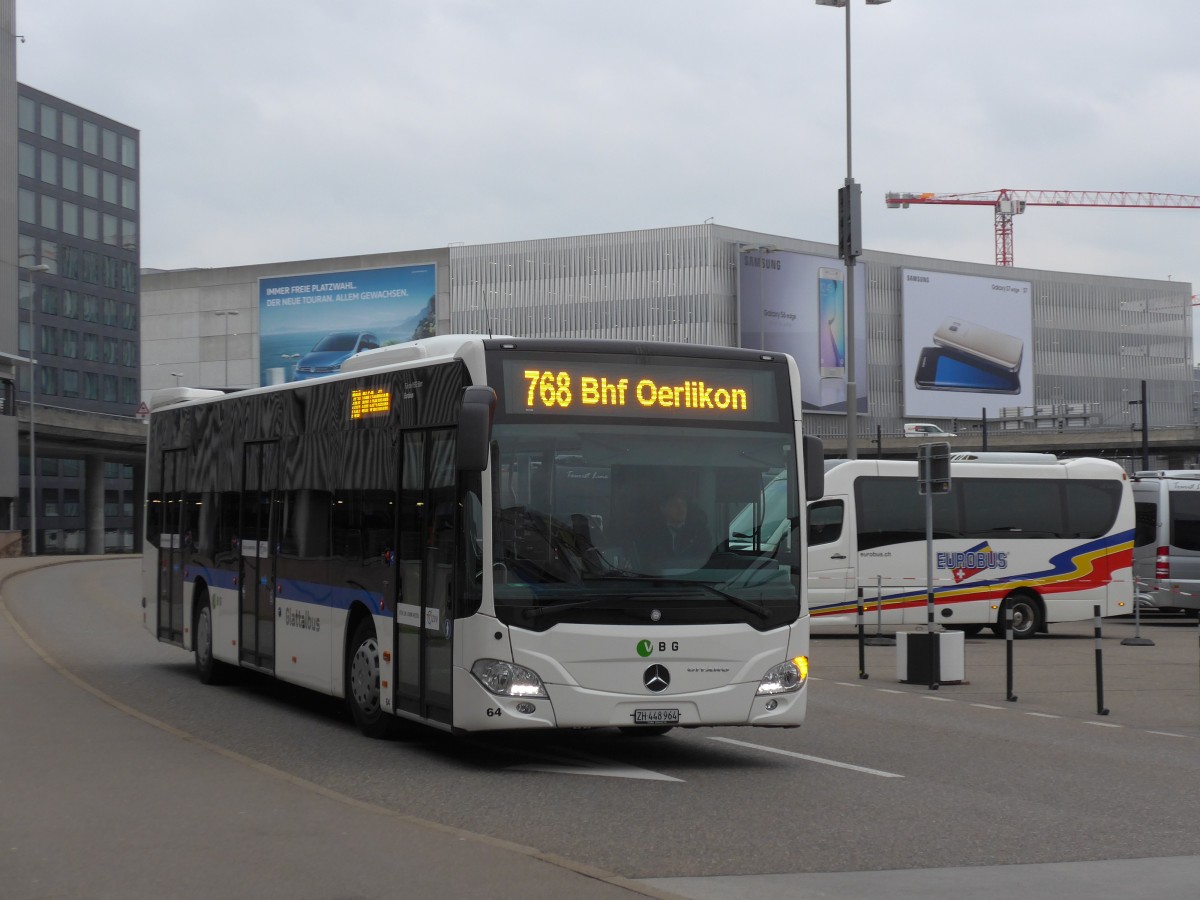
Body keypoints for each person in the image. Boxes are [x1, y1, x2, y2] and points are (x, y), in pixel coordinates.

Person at [641, 488, 711, 573]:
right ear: (663, 509)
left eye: (683, 505)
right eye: (674, 505)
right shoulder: (652, 535)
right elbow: (649, 564)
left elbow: (704, 562)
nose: (680, 509)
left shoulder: (700, 534)